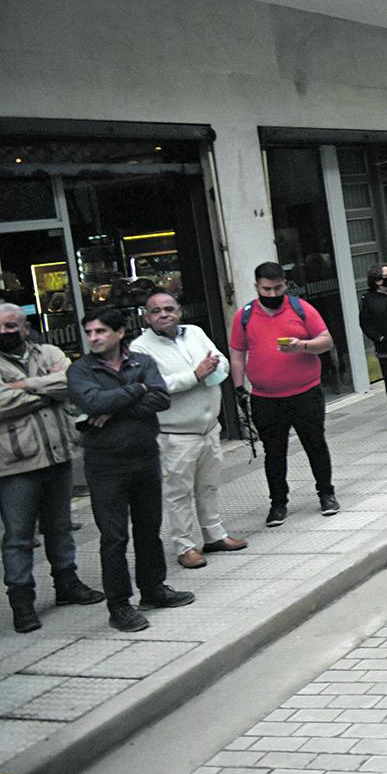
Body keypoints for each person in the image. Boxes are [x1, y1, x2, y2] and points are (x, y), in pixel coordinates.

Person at [68, 307, 194, 633]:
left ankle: (153, 590)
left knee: (149, 528)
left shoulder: (142, 362)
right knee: (114, 537)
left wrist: (114, 406)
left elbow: (161, 399)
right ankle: (120, 605)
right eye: (90, 333)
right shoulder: (80, 370)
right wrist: (137, 390)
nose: (94, 338)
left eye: (101, 332)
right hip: (105, 464)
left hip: (145, 457)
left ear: (119, 332)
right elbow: (93, 403)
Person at [0, 304, 105, 632]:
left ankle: (67, 585)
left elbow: (70, 381)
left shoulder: (48, 350)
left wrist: (22, 388)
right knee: (18, 537)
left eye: (11, 325)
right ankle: (22, 602)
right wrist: (44, 391)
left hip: (58, 457)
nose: (5, 332)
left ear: (25, 328)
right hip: (15, 464)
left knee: (59, 527)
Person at [130, 291, 247, 571]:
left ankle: (214, 535)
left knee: (208, 485)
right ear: (147, 317)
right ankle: (185, 546)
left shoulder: (194, 332)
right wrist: (195, 375)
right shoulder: (140, 348)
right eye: (156, 311)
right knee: (178, 492)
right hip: (175, 434)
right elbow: (155, 386)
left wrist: (214, 369)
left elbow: (219, 360)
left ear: (179, 311)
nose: (163, 314)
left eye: (169, 308)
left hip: (209, 428)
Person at [229, 261, 339, 527]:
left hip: (305, 393)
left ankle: (326, 494)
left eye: (277, 288)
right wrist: (239, 387)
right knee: (274, 452)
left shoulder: (301, 309)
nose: (272, 294)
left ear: (285, 285)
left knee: (315, 444)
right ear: (256, 287)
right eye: (266, 289)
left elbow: (326, 341)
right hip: (266, 398)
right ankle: (278, 504)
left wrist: (303, 345)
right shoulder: (244, 316)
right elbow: (237, 353)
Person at [357, 262, 387, 429]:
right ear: (377, 281)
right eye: (386, 276)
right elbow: (365, 323)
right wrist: (379, 337)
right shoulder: (368, 299)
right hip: (386, 345)